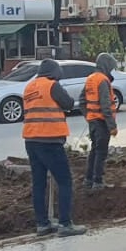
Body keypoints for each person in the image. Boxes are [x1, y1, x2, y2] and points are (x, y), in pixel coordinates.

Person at [23, 59, 87, 237]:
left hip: (31, 139)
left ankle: (42, 224)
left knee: (39, 183)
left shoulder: (29, 87)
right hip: (49, 140)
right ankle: (66, 224)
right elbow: (67, 103)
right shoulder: (52, 85)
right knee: (65, 181)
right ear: (54, 72)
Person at [81, 53, 120, 190]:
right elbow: (105, 106)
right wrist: (112, 126)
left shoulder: (91, 79)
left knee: (94, 150)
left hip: (93, 121)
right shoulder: (103, 80)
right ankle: (97, 182)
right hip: (101, 122)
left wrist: (88, 116)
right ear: (106, 65)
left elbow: (82, 100)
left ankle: (88, 179)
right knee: (101, 152)